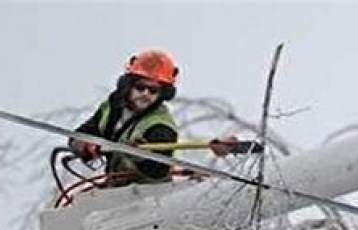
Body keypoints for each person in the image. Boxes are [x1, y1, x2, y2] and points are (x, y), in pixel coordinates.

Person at [70, 49, 236, 184]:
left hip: (146, 194)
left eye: (153, 91)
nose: (145, 94)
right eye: (140, 88)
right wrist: (84, 145)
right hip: (114, 185)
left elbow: (159, 170)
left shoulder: (160, 126)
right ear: (128, 86)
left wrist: (141, 156)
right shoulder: (112, 106)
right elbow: (83, 133)